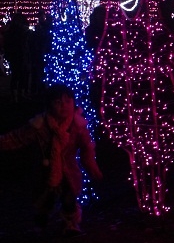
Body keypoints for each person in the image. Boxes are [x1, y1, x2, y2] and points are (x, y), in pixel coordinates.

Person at [0, 84, 102, 235]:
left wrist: (91, 165)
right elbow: (18, 137)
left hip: (69, 170)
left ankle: (70, 223)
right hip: (45, 170)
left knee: (69, 196)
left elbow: (87, 147)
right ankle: (42, 217)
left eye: (68, 101)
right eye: (58, 102)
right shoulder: (40, 125)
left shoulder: (77, 125)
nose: (64, 106)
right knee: (46, 197)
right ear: (50, 104)